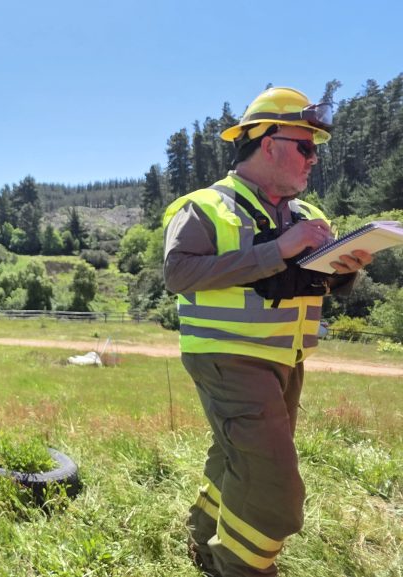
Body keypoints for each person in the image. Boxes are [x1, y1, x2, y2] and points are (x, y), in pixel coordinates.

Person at [163, 87, 373, 577]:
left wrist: (344, 270)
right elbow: (178, 273)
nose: (313, 158)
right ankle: (242, 568)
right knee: (273, 482)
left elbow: (308, 282)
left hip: (286, 358)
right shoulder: (204, 207)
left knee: (238, 458)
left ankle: (203, 542)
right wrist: (277, 250)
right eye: (305, 146)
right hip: (227, 357)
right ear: (268, 143)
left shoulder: (310, 217)